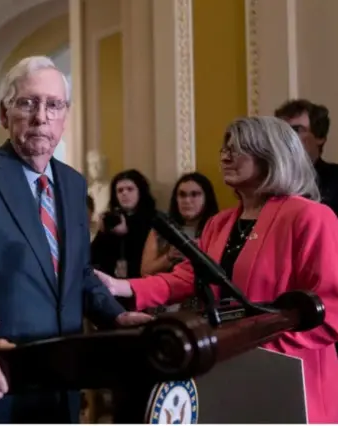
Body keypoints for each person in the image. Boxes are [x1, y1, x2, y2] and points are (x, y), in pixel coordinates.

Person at [0, 55, 151, 423]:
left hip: (61, 388)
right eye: (28, 103)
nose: (41, 117)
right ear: (6, 115)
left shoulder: (73, 185)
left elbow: (77, 273)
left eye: (53, 105)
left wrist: (115, 318)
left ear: (65, 117)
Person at [95, 116, 338, 424]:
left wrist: (253, 343)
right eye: (225, 148)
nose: (224, 156)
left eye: (237, 149)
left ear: (271, 154)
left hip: (291, 374)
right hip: (227, 366)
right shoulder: (220, 222)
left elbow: (330, 310)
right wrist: (123, 287)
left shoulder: (311, 217)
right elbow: (188, 277)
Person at [140, 172, 218, 277]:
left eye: (194, 194)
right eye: (182, 195)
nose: (187, 200)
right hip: (168, 288)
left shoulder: (218, 228)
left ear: (206, 198)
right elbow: (145, 272)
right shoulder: (161, 229)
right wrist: (169, 256)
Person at [274, 99, 338, 216]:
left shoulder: (335, 179)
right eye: (282, 131)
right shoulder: (269, 183)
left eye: (296, 130)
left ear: (319, 137)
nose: (286, 137)